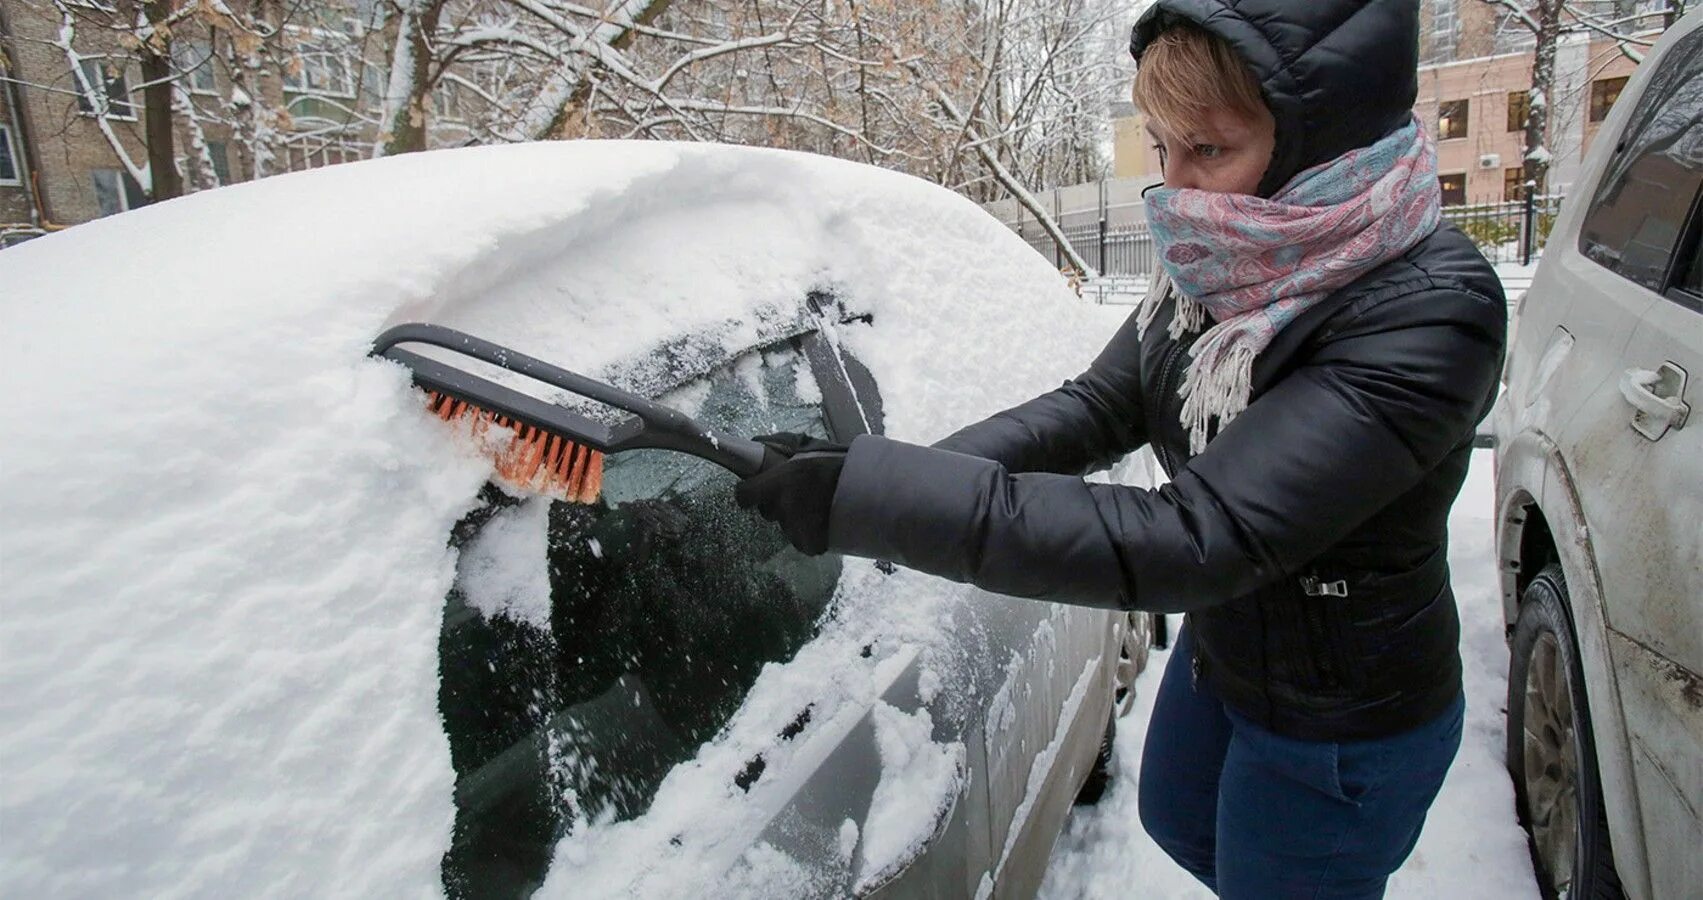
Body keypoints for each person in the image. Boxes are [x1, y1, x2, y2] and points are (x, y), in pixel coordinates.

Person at [735, 1, 1505, 897]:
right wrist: (893, 472)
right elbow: (1101, 404)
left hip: (1340, 717)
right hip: (1229, 653)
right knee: (1177, 821)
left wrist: (880, 501)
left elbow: (1195, 535)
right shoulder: (1223, 262)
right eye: (1159, 146)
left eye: (1206, 150)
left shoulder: (1430, 312)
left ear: (1320, 144)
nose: (1174, 188)